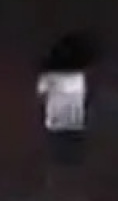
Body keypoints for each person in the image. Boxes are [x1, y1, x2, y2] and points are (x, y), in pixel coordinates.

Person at [35, 64, 89, 194]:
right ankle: (73, 188)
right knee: (74, 159)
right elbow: (86, 97)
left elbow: (41, 97)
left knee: (57, 159)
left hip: (57, 122)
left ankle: (56, 186)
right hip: (75, 122)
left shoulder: (48, 76)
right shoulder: (79, 76)